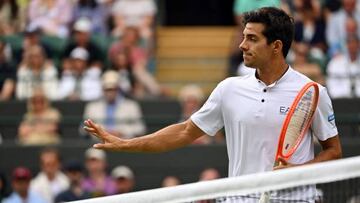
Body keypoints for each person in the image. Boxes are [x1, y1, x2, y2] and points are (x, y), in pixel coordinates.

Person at [83, 7, 342, 202]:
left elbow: (333, 150)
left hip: (295, 199)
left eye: (252, 38)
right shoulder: (229, 89)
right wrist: (125, 143)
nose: (242, 44)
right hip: (242, 198)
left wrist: (298, 172)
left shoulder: (312, 91)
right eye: (243, 36)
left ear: (276, 46)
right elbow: (185, 132)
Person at [82, 70, 145, 139]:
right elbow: (83, 129)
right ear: (102, 89)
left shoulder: (131, 106)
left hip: (124, 144)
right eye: (107, 89)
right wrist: (103, 132)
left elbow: (140, 128)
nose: (110, 92)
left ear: (118, 89)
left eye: (113, 89)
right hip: (99, 144)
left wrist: (121, 132)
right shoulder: (92, 107)